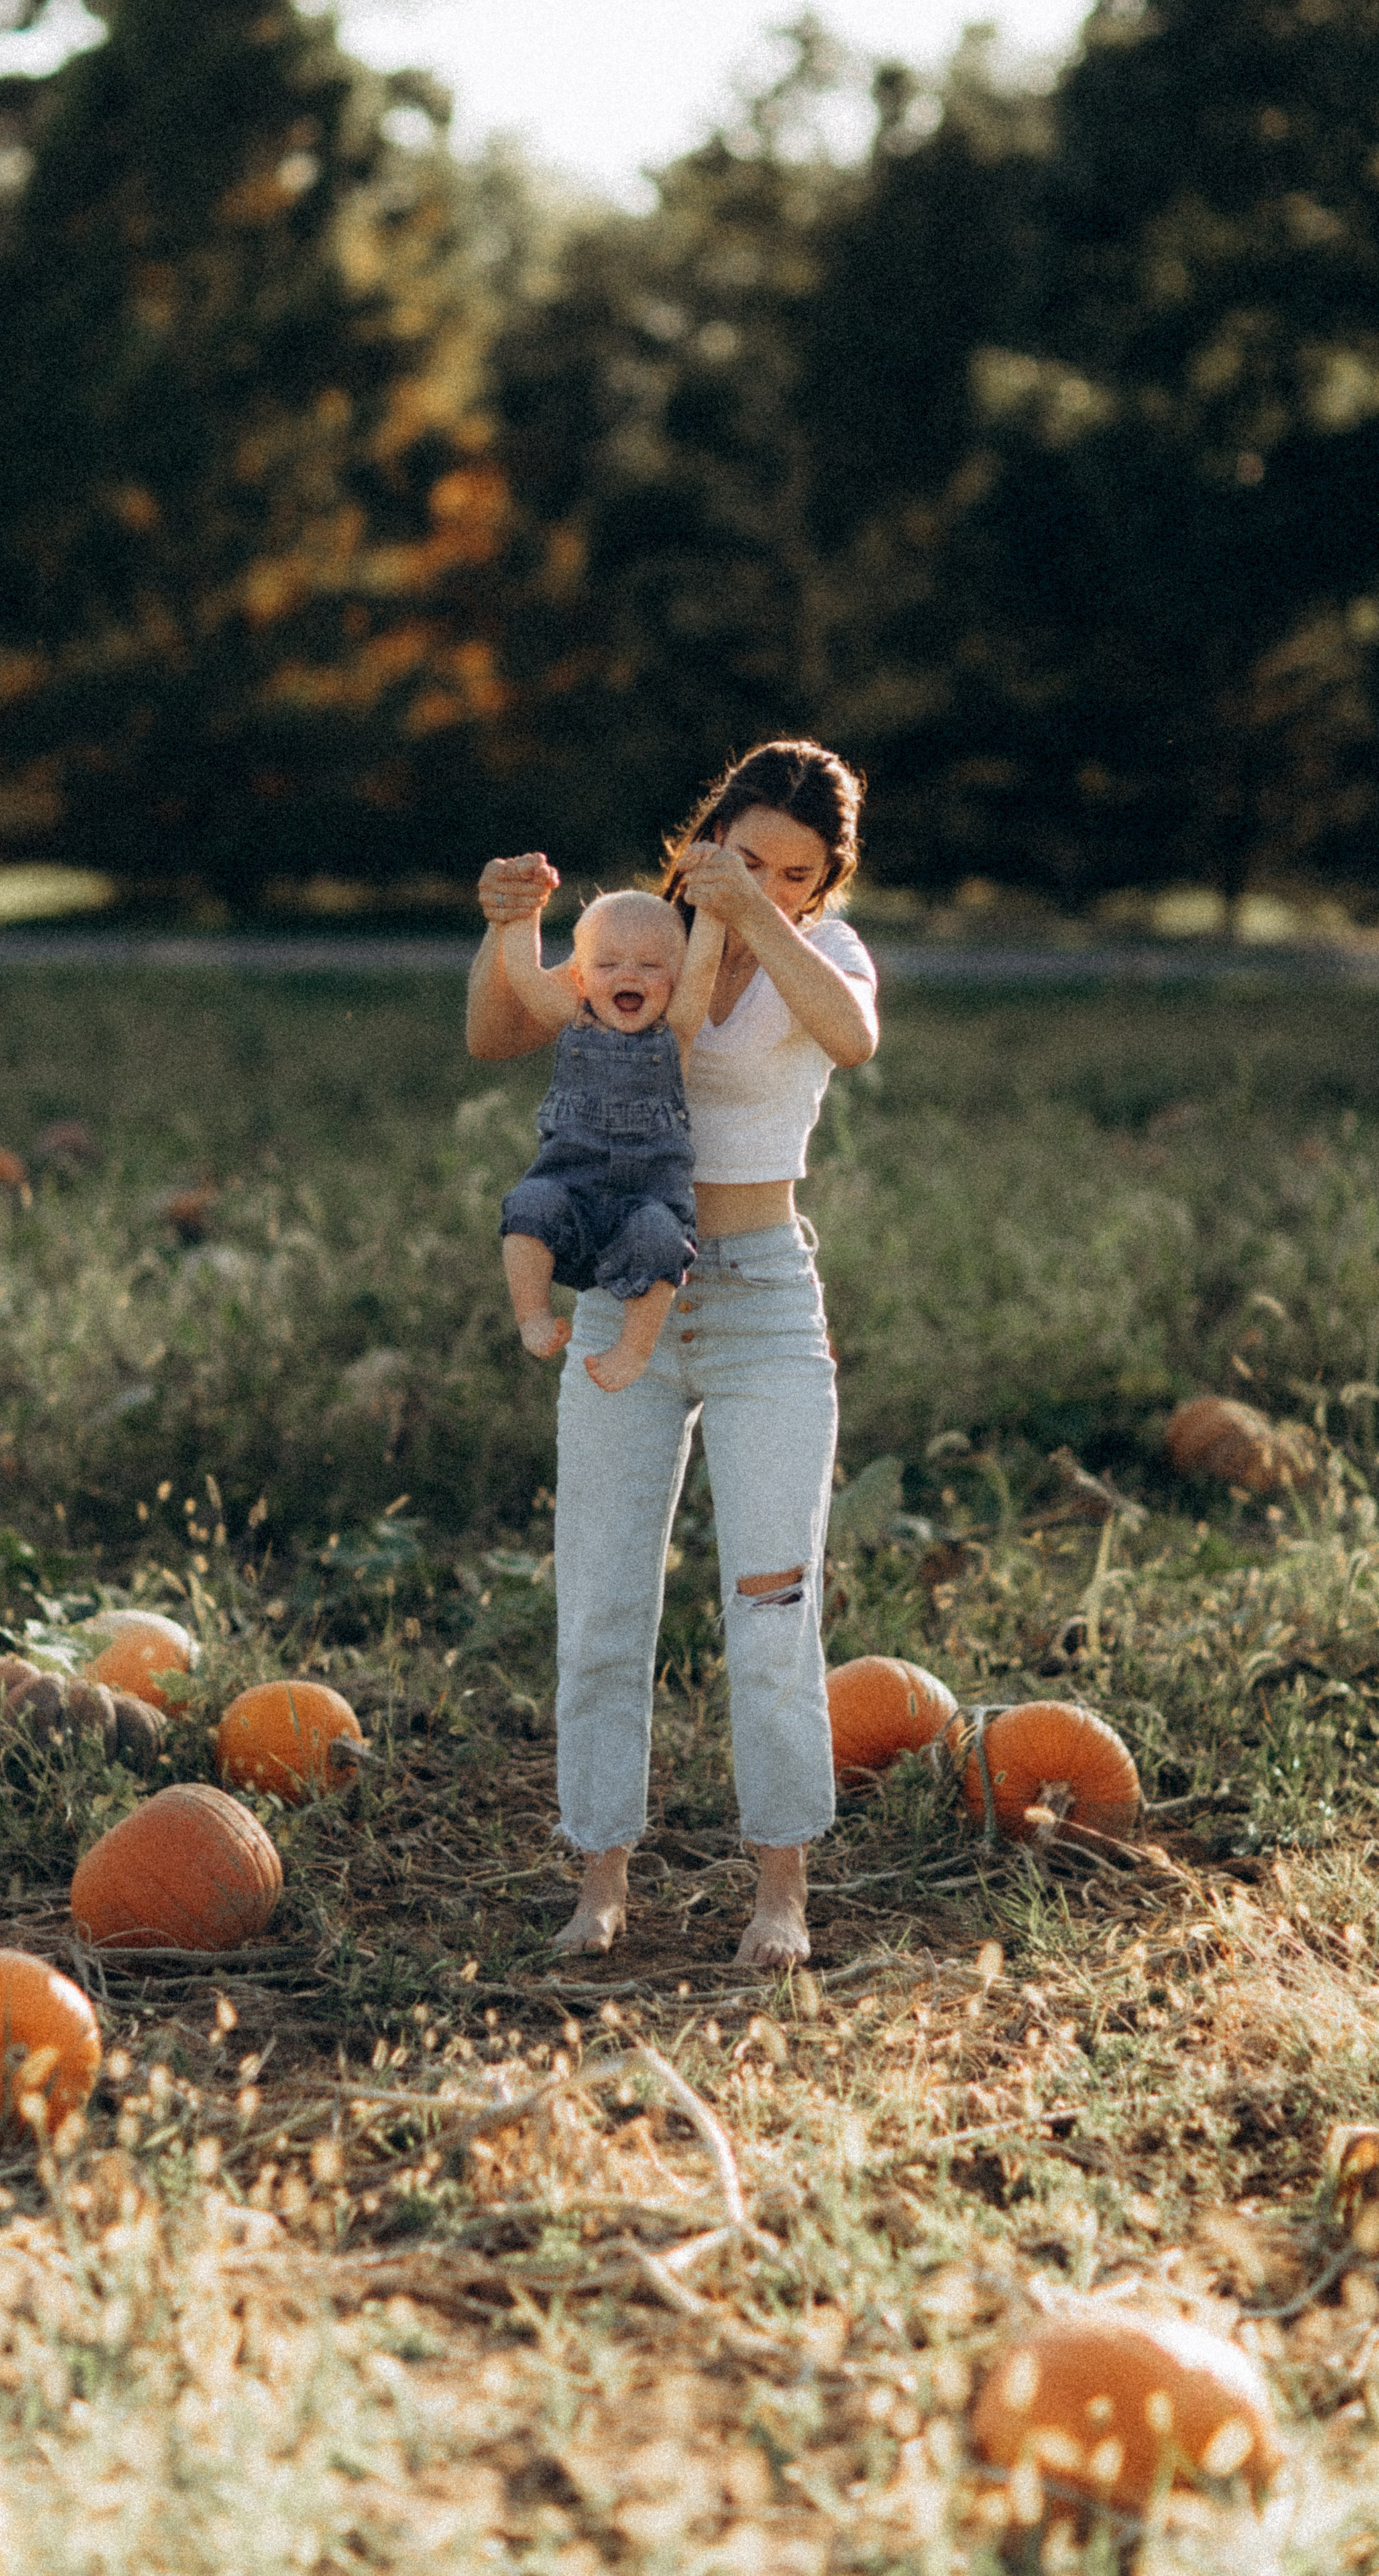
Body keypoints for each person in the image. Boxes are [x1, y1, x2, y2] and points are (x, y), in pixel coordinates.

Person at [466, 739, 879, 1969]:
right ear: (704, 840)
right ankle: (600, 1881)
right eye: (743, 854)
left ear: (821, 887)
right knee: (600, 1598)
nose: (764, 882)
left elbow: (850, 1038)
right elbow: (502, 1029)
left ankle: (780, 1894)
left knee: (771, 1601)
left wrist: (760, 917)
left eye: (794, 873)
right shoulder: (635, 946)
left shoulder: (828, 956)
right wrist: (507, 926)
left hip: (759, 1301)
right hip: (619, 1292)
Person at [499, 888, 725, 1393]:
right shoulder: (572, 1021)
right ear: (579, 978)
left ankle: (634, 1348)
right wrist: (523, 912)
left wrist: (711, 908)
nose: (628, 975)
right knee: (526, 1207)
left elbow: (706, 958)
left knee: (662, 1241)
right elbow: (524, 977)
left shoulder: (677, 1032)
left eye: (650, 965)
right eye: (608, 965)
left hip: (646, 1201)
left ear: (677, 978)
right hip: (569, 1191)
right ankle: (533, 1315)